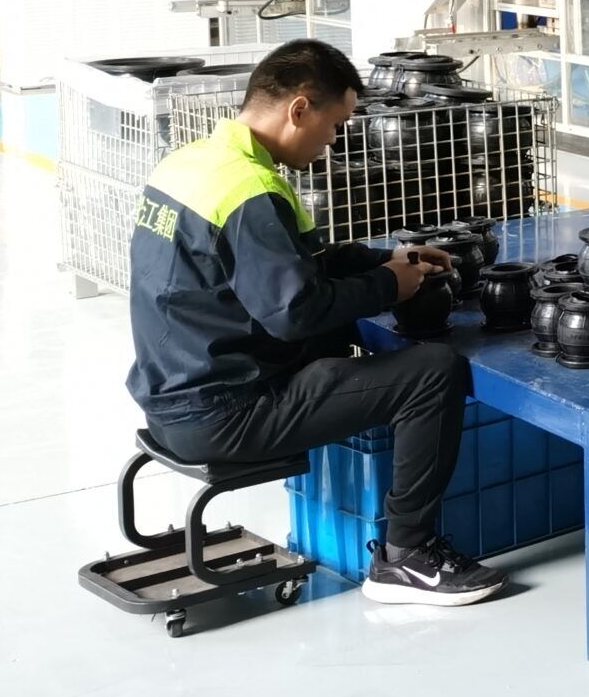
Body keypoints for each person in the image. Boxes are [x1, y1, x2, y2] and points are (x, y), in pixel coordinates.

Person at [127, 39, 505, 606]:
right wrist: (389, 286)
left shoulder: (197, 164)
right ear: (299, 109)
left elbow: (288, 268)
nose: (333, 142)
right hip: (225, 413)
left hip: (171, 395)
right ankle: (406, 556)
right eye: (334, 126)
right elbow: (294, 312)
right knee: (434, 372)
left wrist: (385, 259)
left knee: (344, 333)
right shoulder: (250, 191)